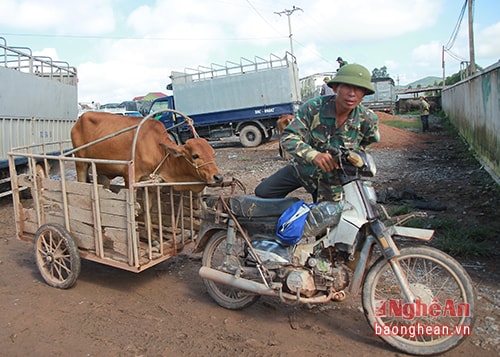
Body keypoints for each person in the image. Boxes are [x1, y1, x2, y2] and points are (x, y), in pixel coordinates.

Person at [255, 63, 380, 202]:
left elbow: (366, 146)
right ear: (335, 88)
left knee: (330, 219)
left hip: (334, 180)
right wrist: (313, 155)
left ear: (364, 94)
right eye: (347, 87)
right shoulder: (313, 108)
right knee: (263, 193)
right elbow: (288, 137)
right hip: (304, 169)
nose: (352, 94)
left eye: (359, 89)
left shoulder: (367, 119)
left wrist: (350, 158)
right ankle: (293, 219)